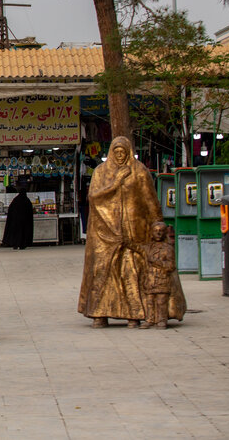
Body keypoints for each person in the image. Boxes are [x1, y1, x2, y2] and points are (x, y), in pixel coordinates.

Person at [78, 136, 186, 328]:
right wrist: (116, 183)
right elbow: (93, 197)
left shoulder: (139, 171)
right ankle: (99, 312)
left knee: (131, 272)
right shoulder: (101, 172)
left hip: (134, 230)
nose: (120, 156)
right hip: (105, 231)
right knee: (103, 270)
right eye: (116, 152)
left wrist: (158, 223)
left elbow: (150, 200)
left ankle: (135, 314)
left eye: (123, 152)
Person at [1, 184, 34, 250]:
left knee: (16, 233)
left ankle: (15, 244)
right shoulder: (27, 201)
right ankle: (22, 245)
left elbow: (10, 210)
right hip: (24, 222)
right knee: (23, 233)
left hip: (15, 221)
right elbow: (30, 212)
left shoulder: (15, 200)